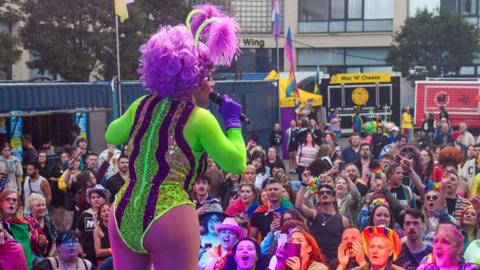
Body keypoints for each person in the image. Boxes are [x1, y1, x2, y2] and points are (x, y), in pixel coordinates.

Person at [105, 6, 246, 268]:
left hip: (123, 214)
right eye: (208, 77)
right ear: (194, 81)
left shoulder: (141, 105)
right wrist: (234, 123)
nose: (211, 84)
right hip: (169, 215)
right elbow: (237, 163)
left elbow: (111, 133)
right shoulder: (200, 118)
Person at [296, 175, 349, 262]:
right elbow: (299, 205)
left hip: (336, 262)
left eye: (328, 192)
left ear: (333, 198)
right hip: (316, 261)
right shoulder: (314, 214)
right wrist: (305, 184)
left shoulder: (343, 220)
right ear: (318, 198)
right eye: (321, 193)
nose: (324, 194)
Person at [76, 185, 110, 265]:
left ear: (104, 199)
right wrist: (81, 252)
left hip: (105, 257)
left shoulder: (109, 215)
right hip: (88, 257)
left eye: (98, 197)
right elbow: (77, 235)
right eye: (93, 197)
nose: (96, 199)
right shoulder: (84, 215)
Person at [28, 193, 57, 258]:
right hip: (31, 260)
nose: (42, 208)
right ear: (31, 209)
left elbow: (55, 240)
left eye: (43, 205)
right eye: (38, 206)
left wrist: (49, 256)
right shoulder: (26, 223)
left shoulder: (48, 221)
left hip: (46, 260)